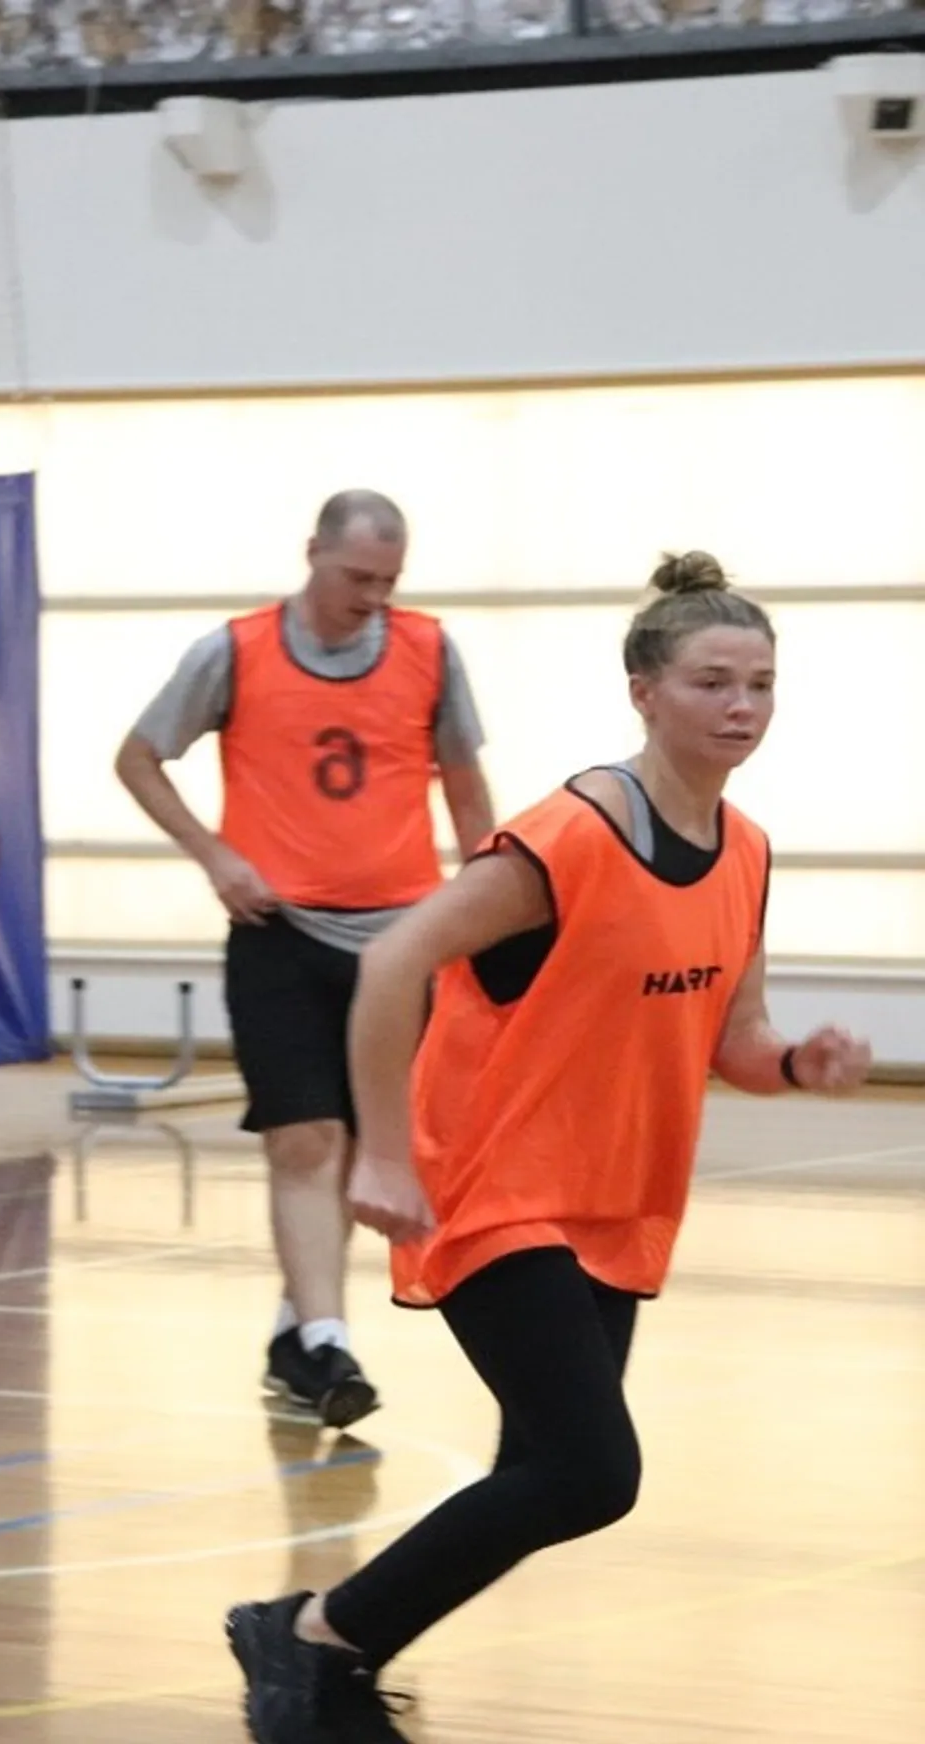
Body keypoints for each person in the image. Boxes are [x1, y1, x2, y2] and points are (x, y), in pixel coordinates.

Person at [221, 552, 873, 1743]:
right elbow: (391, 959)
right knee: (588, 1470)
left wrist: (793, 1064)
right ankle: (313, 1641)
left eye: (761, 685)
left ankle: (323, 1639)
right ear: (641, 690)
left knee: (543, 1477)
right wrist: (380, 1152)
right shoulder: (565, 835)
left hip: (614, 1202)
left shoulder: (745, 850)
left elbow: (735, 1033)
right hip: (492, 1185)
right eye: (711, 681)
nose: (740, 706)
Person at [114, 489, 494, 1428]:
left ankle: (297, 1326)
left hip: (400, 941)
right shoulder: (233, 653)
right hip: (278, 932)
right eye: (357, 576)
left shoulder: (430, 652)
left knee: (367, 1152)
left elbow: (466, 782)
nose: (372, 596)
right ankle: (330, 1345)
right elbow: (137, 758)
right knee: (305, 1140)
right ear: (313, 553)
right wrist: (216, 854)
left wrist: (487, 906)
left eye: (388, 581)